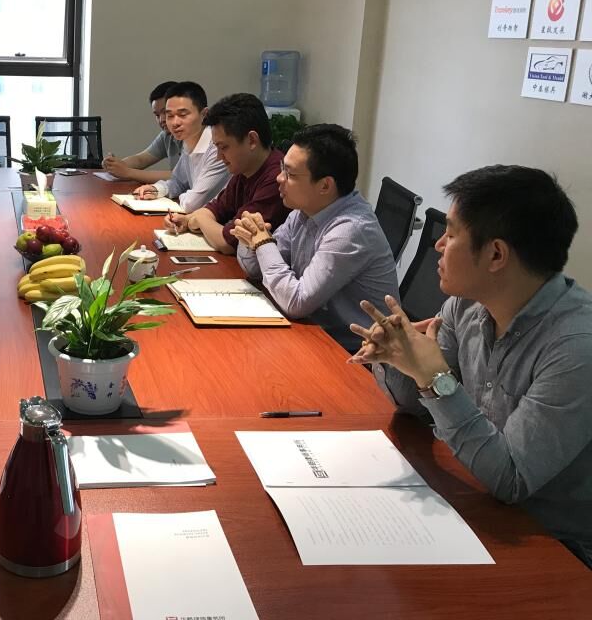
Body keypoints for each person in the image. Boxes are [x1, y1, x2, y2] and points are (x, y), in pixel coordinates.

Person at [350, 166, 592, 568]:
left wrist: (434, 377)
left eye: (451, 233)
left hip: (553, 547)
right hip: (475, 503)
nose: (438, 244)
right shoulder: (466, 305)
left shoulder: (576, 347)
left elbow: (511, 479)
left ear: (496, 254)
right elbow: (413, 404)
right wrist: (398, 355)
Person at [234, 124, 399, 350]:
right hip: (313, 334)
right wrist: (250, 237)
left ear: (325, 185)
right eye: (282, 168)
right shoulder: (303, 211)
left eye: (290, 174)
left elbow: (296, 302)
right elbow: (256, 269)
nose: (279, 178)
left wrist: (262, 242)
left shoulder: (351, 230)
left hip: (356, 354)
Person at [163, 93, 287, 254]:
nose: (219, 156)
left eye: (223, 147)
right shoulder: (244, 169)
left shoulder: (277, 178)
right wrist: (187, 220)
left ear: (252, 140)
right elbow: (216, 209)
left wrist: (200, 218)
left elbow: (228, 243)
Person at [131, 81, 229, 212]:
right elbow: (178, 181)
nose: (175, 123)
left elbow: (192, 204)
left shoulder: (217, 147)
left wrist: (183, 194)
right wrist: (156, 189)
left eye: (183, 115)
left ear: (204, 114)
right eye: (170, 116)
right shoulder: (188, 140)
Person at [102, 81, 182, 183]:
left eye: (166, 112)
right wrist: (115, 165)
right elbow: (141, 159)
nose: (162, 119)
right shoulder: (167, 135)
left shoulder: (196, 136)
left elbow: (181, 176)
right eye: (157, 115)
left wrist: (128, 172)